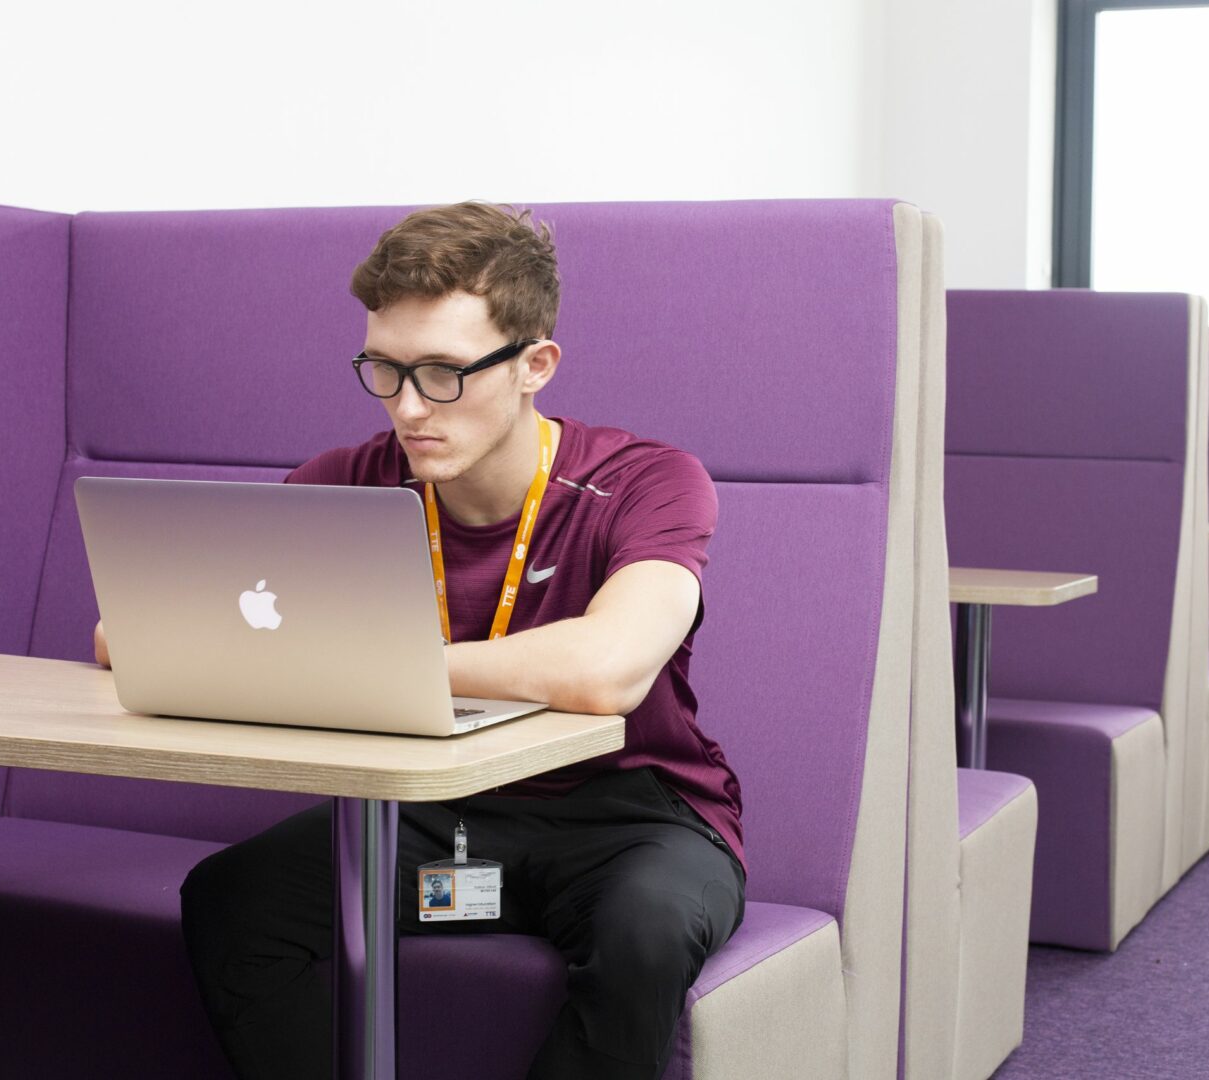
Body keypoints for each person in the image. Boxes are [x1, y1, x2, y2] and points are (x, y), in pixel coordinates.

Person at [93, 201, 745, 1080]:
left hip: (632, 814)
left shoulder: (647, 482)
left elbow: (606, 668)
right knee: (233, 899)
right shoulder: (350, 481)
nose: (407, 407)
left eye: (443, 373)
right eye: (385, 371)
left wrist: (373, 661)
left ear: (534, 366)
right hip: (434, 808)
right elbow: (126, 635)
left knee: (647, 932)